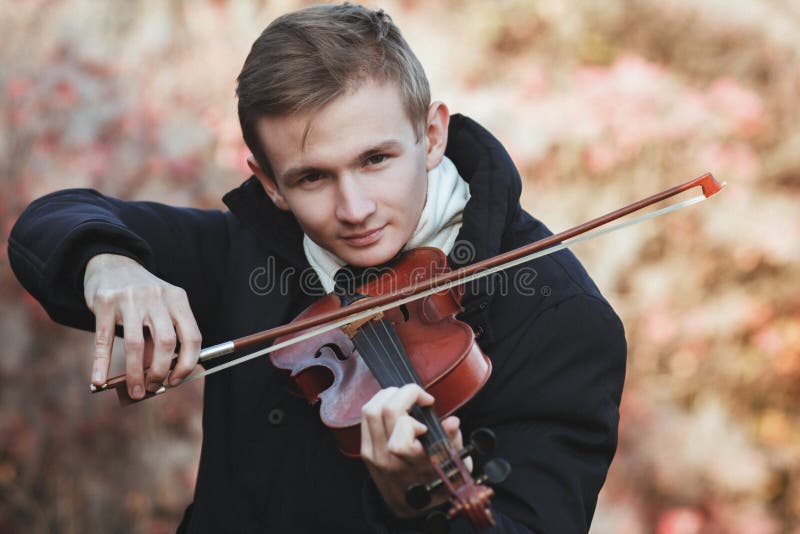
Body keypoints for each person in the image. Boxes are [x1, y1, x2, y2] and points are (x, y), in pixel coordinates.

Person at [8, 3, 626, 533]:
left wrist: (410, 505)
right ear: (270, 184)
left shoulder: (555, 317)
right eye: (312, 177)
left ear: (432, 134)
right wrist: (110, 264)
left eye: (376, 160)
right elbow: (53, 218)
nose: (354, 210)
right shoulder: (252, 250)